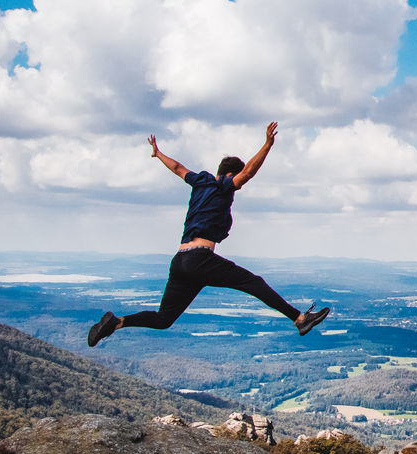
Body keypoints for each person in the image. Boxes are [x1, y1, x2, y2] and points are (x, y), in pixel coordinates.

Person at [87, 122, 329, 347]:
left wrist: (157, 153)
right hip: (200, 259)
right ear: (229, 174)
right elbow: (247, 174)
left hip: (180, 261)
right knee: (253, 283)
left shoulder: (200, 182)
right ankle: (300, 319)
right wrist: (267, 145)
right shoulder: (222, 186)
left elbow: (178, 168)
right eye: (236, 177)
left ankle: (117, 322)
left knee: (164, 318)